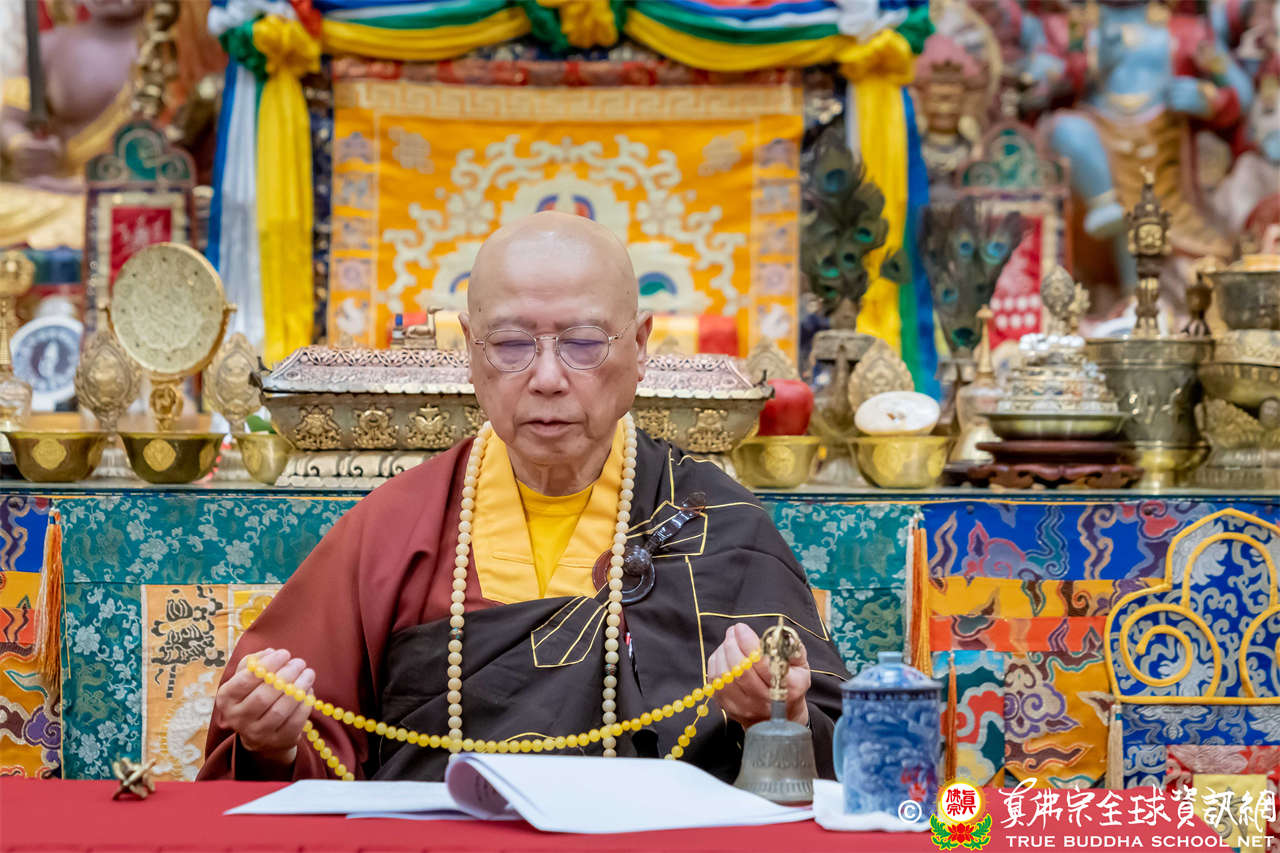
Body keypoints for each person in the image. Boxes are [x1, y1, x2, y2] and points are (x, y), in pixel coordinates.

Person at [198, 211, 848, 782]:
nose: (546, 378)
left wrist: (779, 716)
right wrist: (271, 740)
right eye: (511, 345)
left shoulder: (717, 523)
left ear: (641, 345)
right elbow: (296, 750)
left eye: (583, 343)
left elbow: (834, 750)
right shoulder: (395, 530)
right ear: (470, 350)